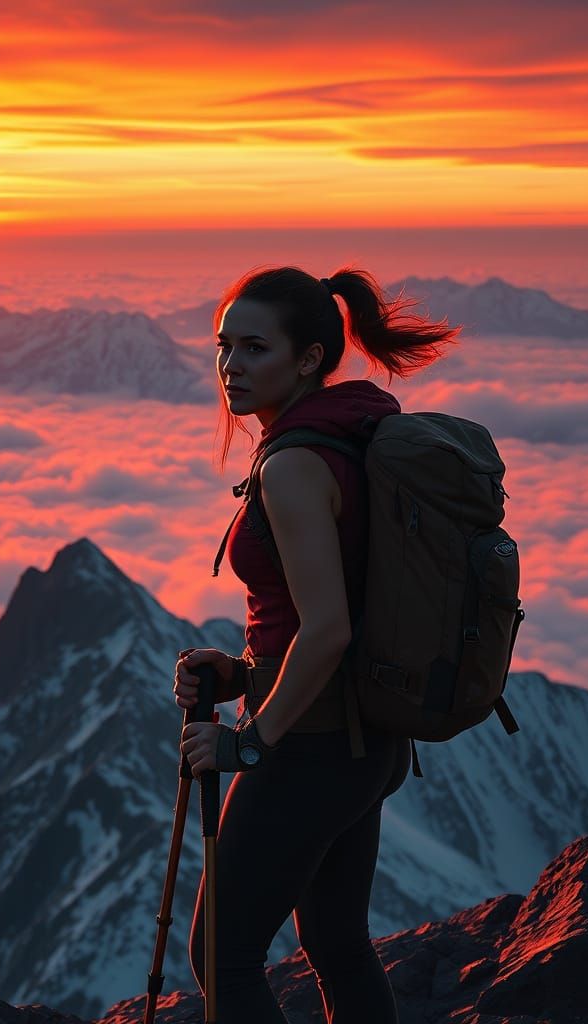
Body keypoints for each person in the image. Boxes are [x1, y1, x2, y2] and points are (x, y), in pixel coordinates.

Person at [173, 265, 462, 1023]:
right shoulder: (351, 431)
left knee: (220, 955)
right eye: (223, 346)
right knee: (335, 940)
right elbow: (340, 606)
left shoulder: (296, 463)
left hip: (310, 745)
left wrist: (251, 741)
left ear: (307, 360)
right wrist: (244, 673)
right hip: (367, 740)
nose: (231, 367)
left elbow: (328, 627)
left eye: (254, 349)